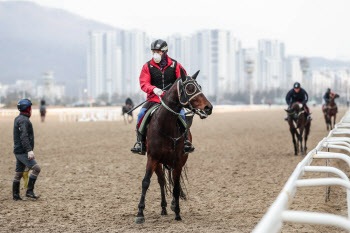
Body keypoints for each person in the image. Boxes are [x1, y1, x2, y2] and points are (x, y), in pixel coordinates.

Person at [131, 39, 194, 155]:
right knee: (141, 114)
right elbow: (144, 83)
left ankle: (186, 141)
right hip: (153, 99)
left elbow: (183, 81)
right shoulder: (147, 66)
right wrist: (153, 89)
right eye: (153, 51)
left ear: (165, 52)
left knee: (182, 115)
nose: (155, 54)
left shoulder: (176, 65)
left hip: (172, 102)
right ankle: (140, 142)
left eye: (158, 52)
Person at [12, 99, 41, 200]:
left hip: (18, 150)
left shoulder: (18, 118)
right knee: (37, 168)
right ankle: (29, 191)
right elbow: (24, 137)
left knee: (19, 173)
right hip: (22, 151)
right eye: (30, 108)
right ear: (27, 109)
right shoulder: (24, 120)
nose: (31, 110)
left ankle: (15, 196)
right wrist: (29, 150)